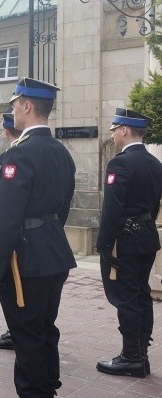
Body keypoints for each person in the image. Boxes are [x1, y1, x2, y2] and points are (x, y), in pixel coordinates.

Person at [0, 78, 76, 398]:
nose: (11, 111)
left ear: (25, 106)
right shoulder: (60, 151)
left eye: (13, 104)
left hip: (26, 258)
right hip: (52, 250)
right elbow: (64, 207)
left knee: (28, 336)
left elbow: (6, 220)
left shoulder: (19, 154)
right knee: (44, 330)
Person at [95, 108, 162, 378]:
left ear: (124, 130)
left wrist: (103, 245)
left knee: (126, 298)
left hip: (125, 240)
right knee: (141, 294)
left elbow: (112, 207)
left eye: (114, 129)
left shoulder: (120, 163)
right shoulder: (155, 163)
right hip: (146, 235)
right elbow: (155, 203)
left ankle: (132, 357)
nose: (112, 135)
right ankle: (140, 353)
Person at [0, 109, 22, 350]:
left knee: (13, 291)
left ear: (7, 130)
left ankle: (15, 331)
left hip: (17, 239)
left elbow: (6, 207)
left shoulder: (13, 155)